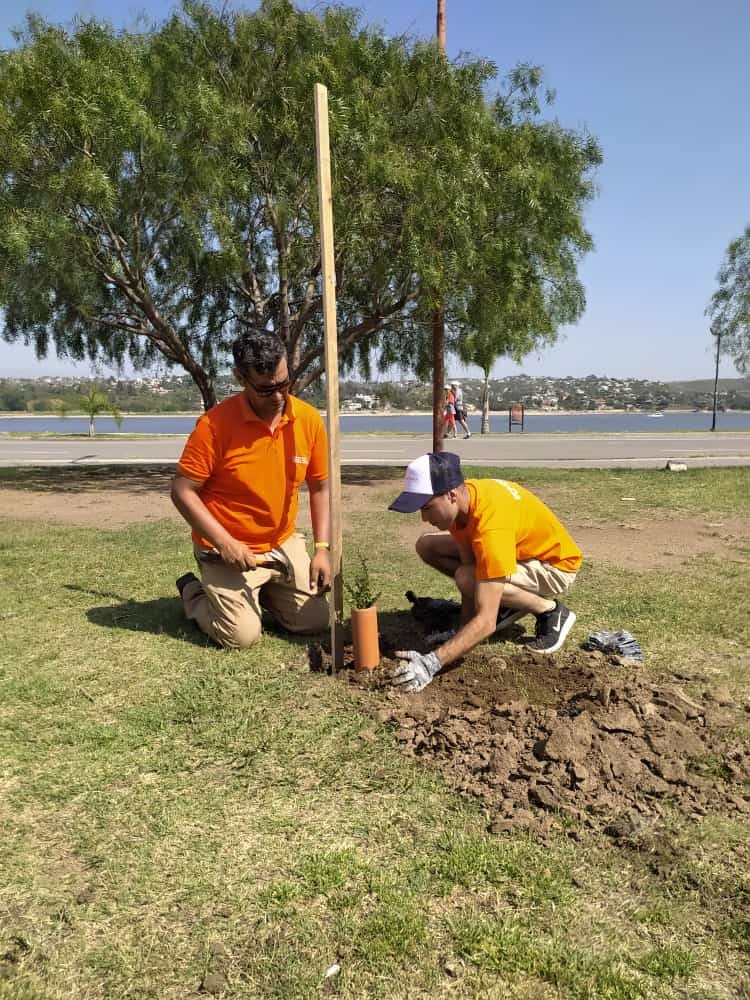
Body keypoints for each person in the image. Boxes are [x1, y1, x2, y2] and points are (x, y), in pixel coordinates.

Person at [170, 330, 331, 649]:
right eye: (266, 388)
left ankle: (265, 590)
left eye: (285, 383)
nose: (279, 396)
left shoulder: (309, 421)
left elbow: (320, 488)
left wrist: (323, 549)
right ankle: (193, 592)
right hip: (228, 548)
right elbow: (181, 490)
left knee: (314, 621)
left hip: (281, 544)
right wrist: (224, 542)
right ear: (240, 378)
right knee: (241, 636)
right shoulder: (213, 427)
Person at [387, 452, 582, 692]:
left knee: (469, 579)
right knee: (428, 546)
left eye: (427, 508)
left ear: (451, 495)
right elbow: (468, 564)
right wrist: (464, 628)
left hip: (553, 567)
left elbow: (487, 621)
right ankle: (506, 600)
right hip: (521, 553)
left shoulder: (491, 524)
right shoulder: (463, 505)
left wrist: (431, 663)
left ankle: (550, 611)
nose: (424, 518)